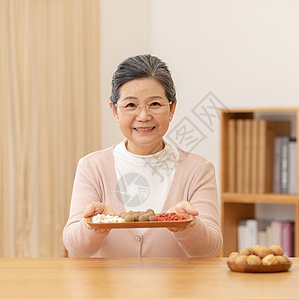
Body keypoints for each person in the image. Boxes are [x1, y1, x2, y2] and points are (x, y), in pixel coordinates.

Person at [63, 54, 222, 257]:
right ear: (114, 110)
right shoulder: (92, 166)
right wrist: (95, 226)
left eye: (155, 104)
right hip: (107, 288)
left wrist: (188, 226)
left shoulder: (198, 170)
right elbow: (74, 246)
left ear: (172, 108)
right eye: (130, 105)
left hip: (178, 289)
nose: (144, 116)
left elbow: (211, 249)